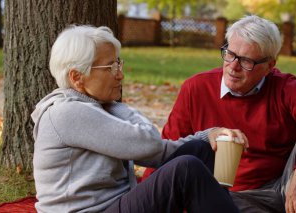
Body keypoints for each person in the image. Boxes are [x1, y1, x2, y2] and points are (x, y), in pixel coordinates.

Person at [149, 15, 296, 213]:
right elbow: (166, 151)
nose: (233, 66)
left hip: (287, 189)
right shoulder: (196, 89)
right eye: (230, 54)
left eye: (246, 61)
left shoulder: (283, 87)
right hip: (230, 198)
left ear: (270, 65)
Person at [31, 25, 248, 213]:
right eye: (110, 67)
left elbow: (158, 153)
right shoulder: (67, 113)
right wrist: (117, 105)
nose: (120, 74)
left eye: (119, 64)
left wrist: (207, 135)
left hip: (115, 204)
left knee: (201, 150)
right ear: (77, 77)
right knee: (186, 169)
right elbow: (150, 142)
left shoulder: (92, 107)